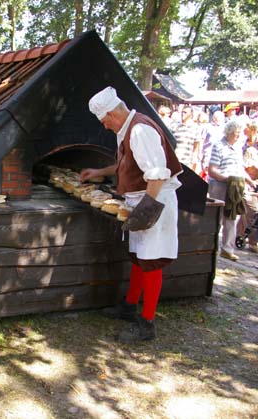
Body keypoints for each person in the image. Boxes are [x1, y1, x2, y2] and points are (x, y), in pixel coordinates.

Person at [80, 86, 182, 343]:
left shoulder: (139, 130)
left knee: (151, 260)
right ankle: (129, 306)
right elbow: (127, 164)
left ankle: (147, 324)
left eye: (104, 121)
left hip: (155, 201)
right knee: (139, 257)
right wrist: (98, 172)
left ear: (111, 114)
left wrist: (147, 208)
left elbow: (157, 174)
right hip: (140, 201)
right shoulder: (127, 129)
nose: (105, 127)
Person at [208, 120, 256, 261]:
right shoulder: (219, 146)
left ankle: (227, 249)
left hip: (235, 187)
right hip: (220, 185)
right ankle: (210, 246)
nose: (238, 136)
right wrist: (226, 179)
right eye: (236, 133)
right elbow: (212, 170)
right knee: (217, 218)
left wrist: (249, 181)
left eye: (239, 133)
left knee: (232, 217)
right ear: (229, 132)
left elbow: (240, 168)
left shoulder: (238, 148)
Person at [172, 106, 202, 171]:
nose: (183, 114)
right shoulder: (174, 126)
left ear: (191, 114)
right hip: (175, 159)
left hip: (187, 161)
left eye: (185, 112)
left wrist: (194, 159)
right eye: (182, 112)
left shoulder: (195, 128)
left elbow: (196, 146)